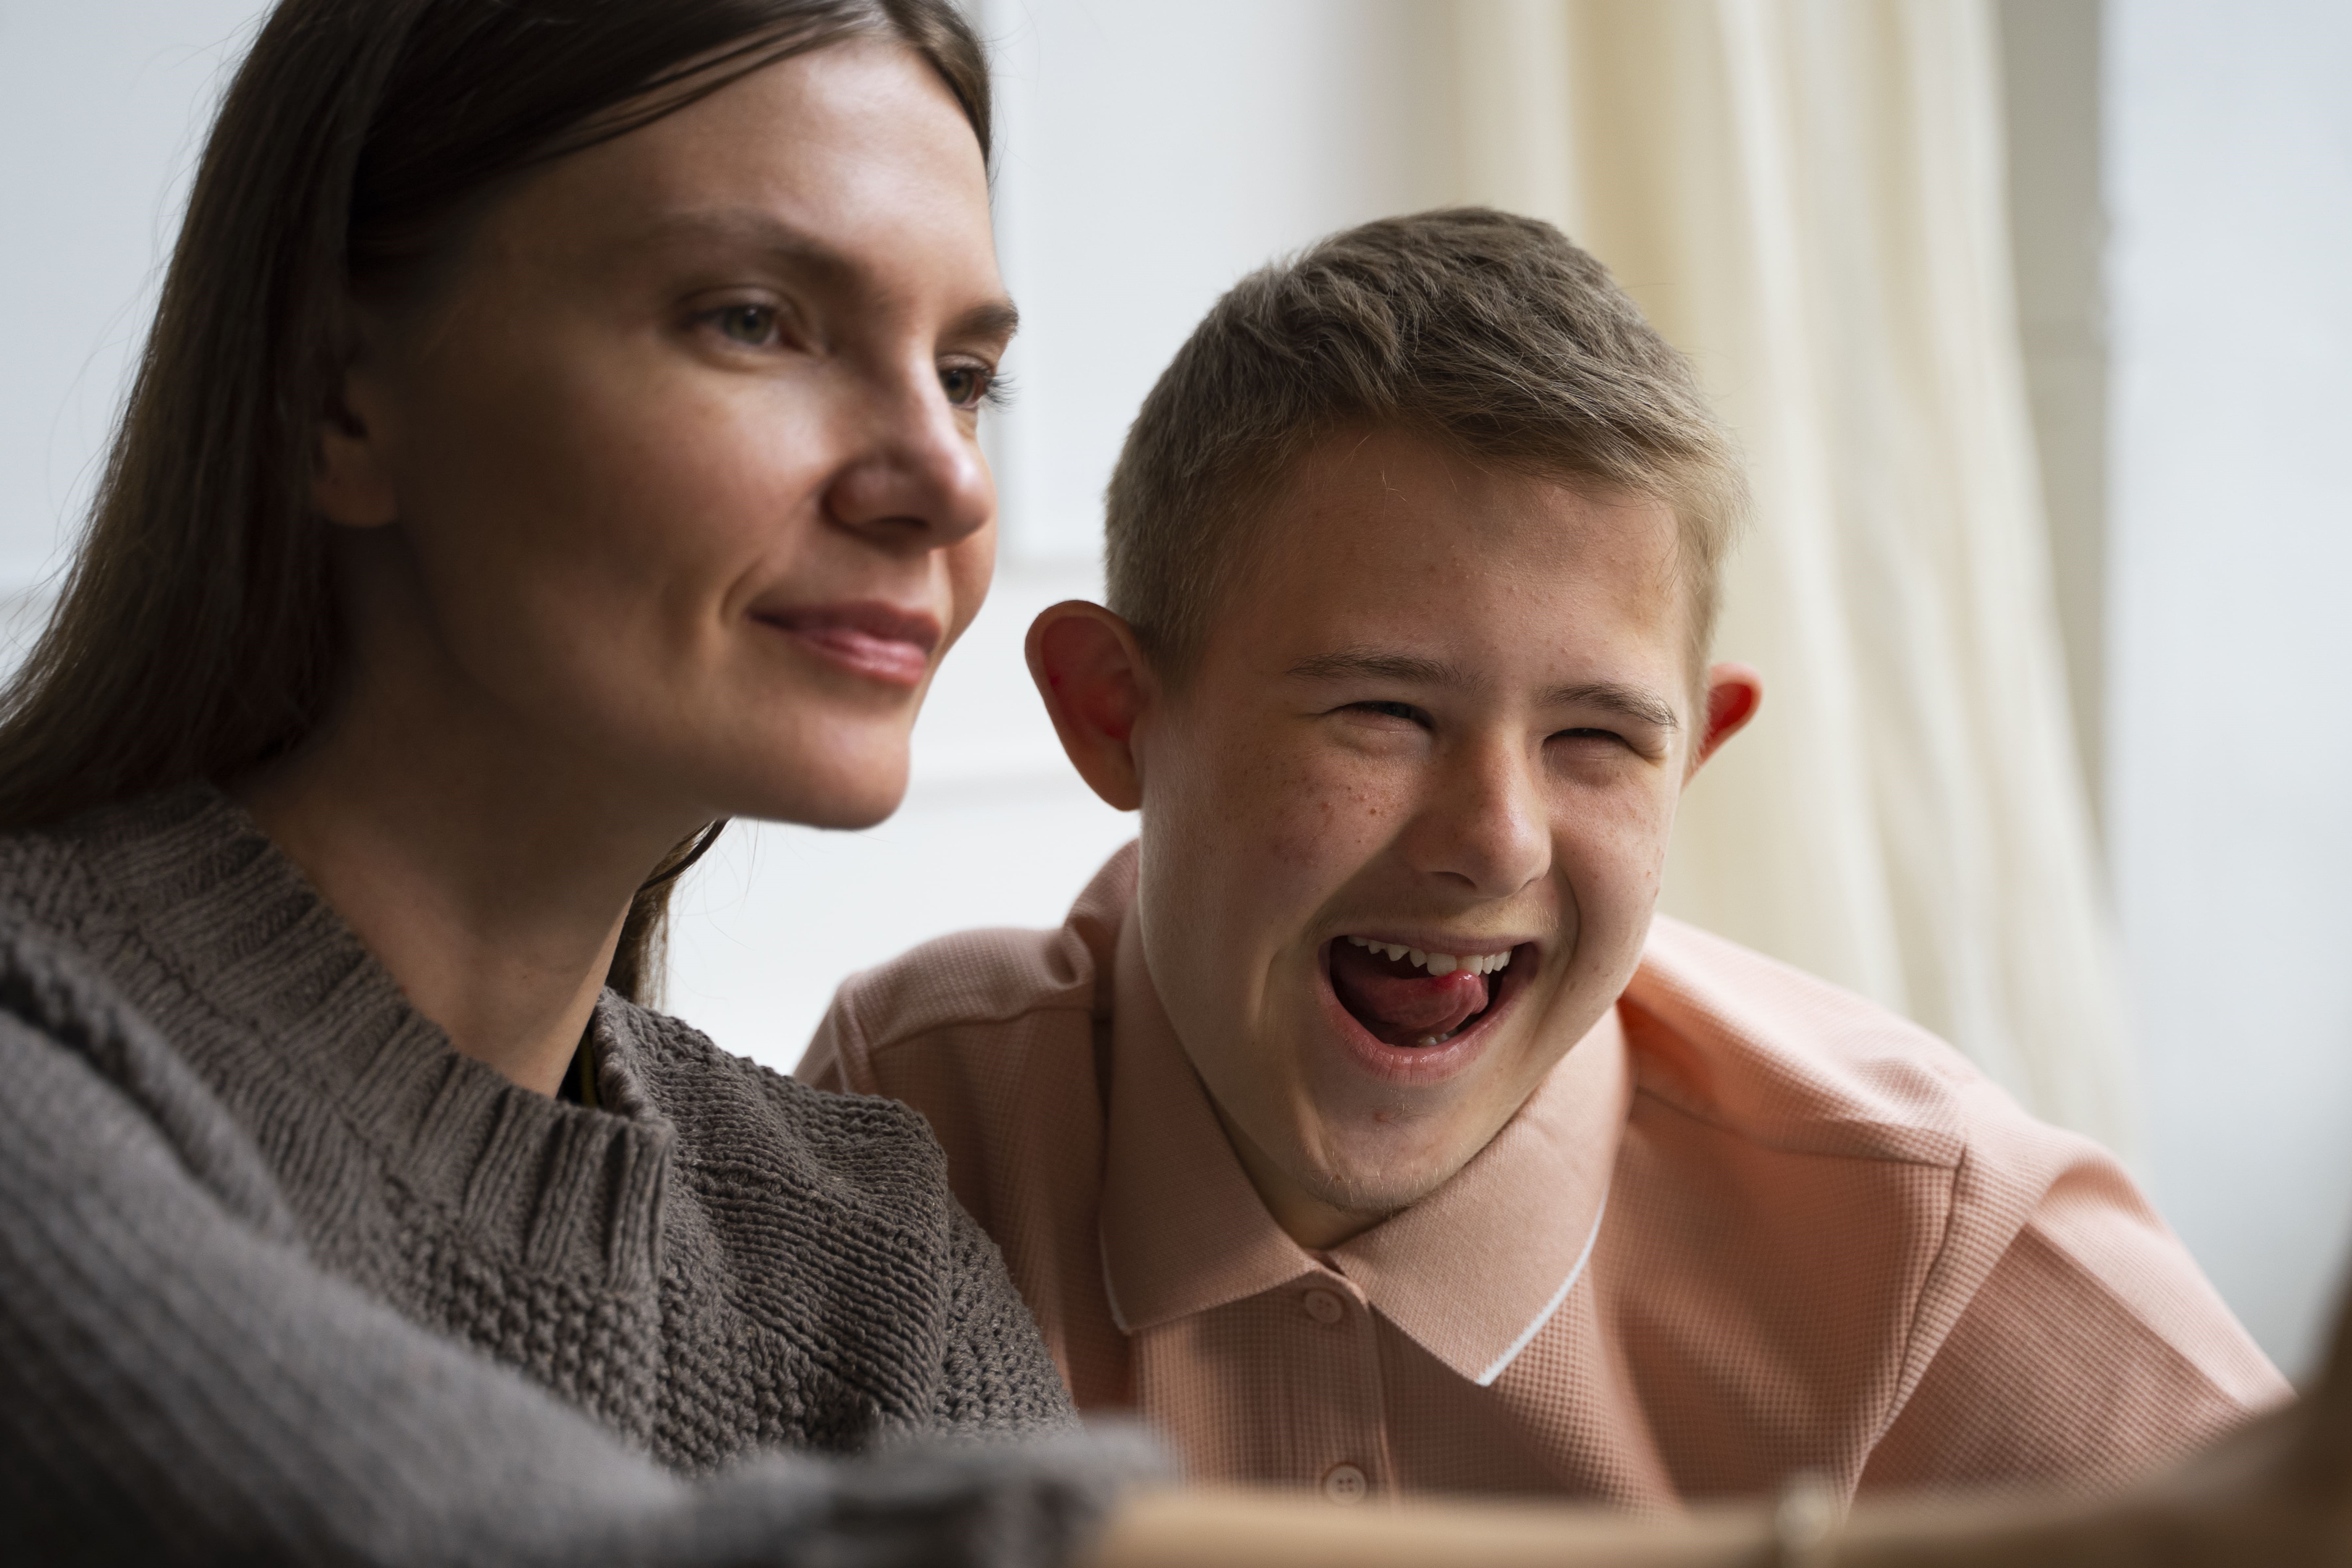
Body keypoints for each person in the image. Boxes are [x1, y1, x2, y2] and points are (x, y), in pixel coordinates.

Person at [798, 209, 2289, 1505]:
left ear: (1692, 754)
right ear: (1115, 711)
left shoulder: (1918, 1222)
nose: (1494, 838)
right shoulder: (914, 1108)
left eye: (1598, 740)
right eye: (1382, 712)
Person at [0, 1, 1141, 1561]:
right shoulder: (39, 1058)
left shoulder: (871, 1259)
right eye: (755, 318)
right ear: (340, 398)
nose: (946, 477)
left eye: (963, 373)